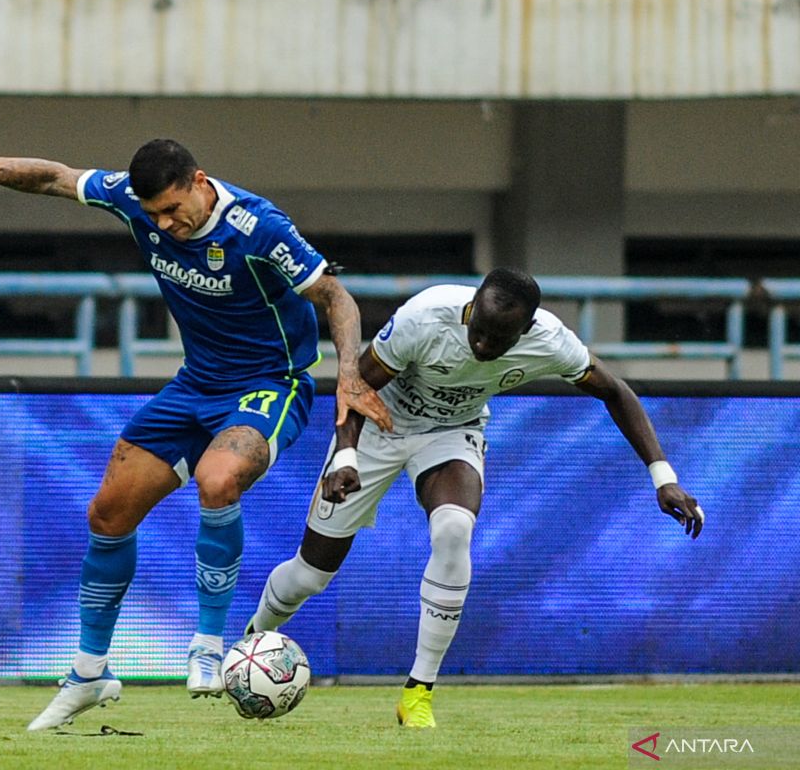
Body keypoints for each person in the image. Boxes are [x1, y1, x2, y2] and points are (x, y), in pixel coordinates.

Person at [0, 105, 392, 731]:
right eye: (151, 214)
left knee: (218, 479)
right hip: (196, 384)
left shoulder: (258, 226)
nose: (163, 224)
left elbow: (336, 297)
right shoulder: (133, 201)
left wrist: (348, 372)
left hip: (271, 384)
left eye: (171, 210)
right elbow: (54, 177)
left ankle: (208, 647)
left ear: (198, 182)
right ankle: (87, 673)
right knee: (108, 511)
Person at [246, 267, 704, 729]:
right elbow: (356, 385)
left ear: (526, 330)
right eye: (478, 331)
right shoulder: (425, 317)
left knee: (454, 530)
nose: (483, 345)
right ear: (471, 309)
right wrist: (346, 455)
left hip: (452, 431)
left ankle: (418, 694)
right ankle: (253, 641)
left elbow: (615, 391)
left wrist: (663, 477)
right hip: (376, 427)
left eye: (498, 339)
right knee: (310, 575)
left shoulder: (551, 341)